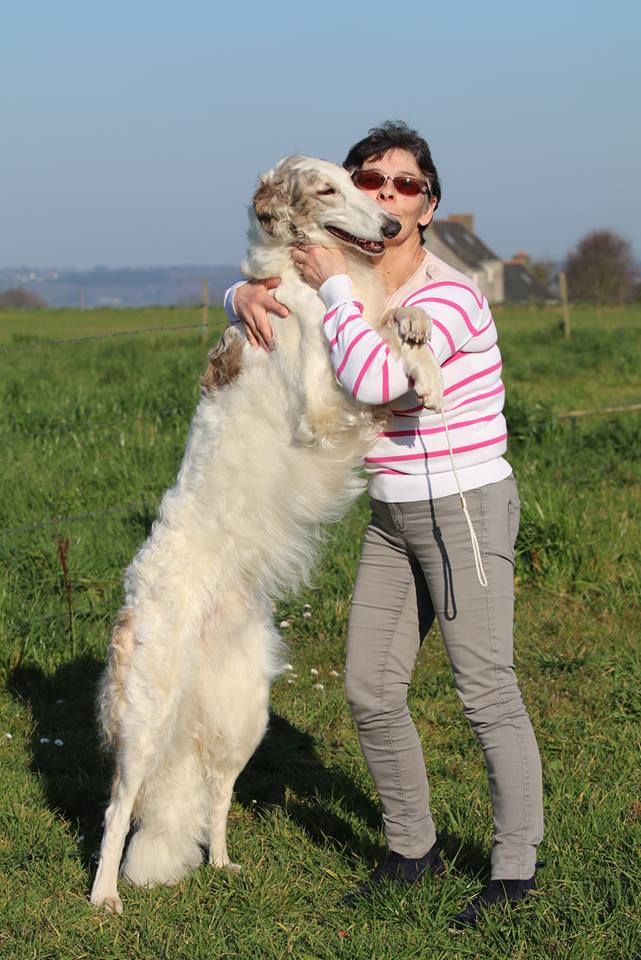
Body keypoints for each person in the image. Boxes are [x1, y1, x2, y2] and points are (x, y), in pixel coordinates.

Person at [225, 121, 544, 927]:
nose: (386, 194)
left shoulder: (446, 294)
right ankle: (413, 851)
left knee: (484, 693)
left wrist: (331, 284)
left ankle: (514, 871)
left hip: (462, 507)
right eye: (370, 179)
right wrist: (243, 294)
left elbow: (378, 381)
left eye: (406, 184)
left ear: (428, 207)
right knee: (368, 689)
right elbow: (266, 296)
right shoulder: (360, 287)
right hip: (394, 511)